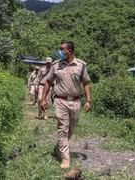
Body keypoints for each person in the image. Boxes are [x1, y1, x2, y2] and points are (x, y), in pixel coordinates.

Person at [40, 40, 91, 169]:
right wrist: (43, 99)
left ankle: (59, 148)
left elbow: (86, 83)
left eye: (62, 49)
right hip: (60, 100)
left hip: (75, 101)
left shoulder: (81, 65)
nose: (59, 51)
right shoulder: (56, 65)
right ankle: (65, 158)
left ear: (70, 51)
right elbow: (48, 82)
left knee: (71, 128)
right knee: (63, 128)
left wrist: (88, 101)